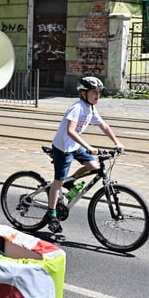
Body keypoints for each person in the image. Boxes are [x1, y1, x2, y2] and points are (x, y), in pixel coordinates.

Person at [44, 76, 125, 234]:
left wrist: (117, 142)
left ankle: (70, 182)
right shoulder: (78, 108)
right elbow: (70, 131)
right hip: (63, 148)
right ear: (83, 93)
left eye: (99, 93)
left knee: (93, 166)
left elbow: (104, 126)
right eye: (94, 92)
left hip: (74, 146)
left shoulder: (91, 109)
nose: (97, 96)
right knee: (58, 181)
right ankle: (51, 213)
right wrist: (89, 147)